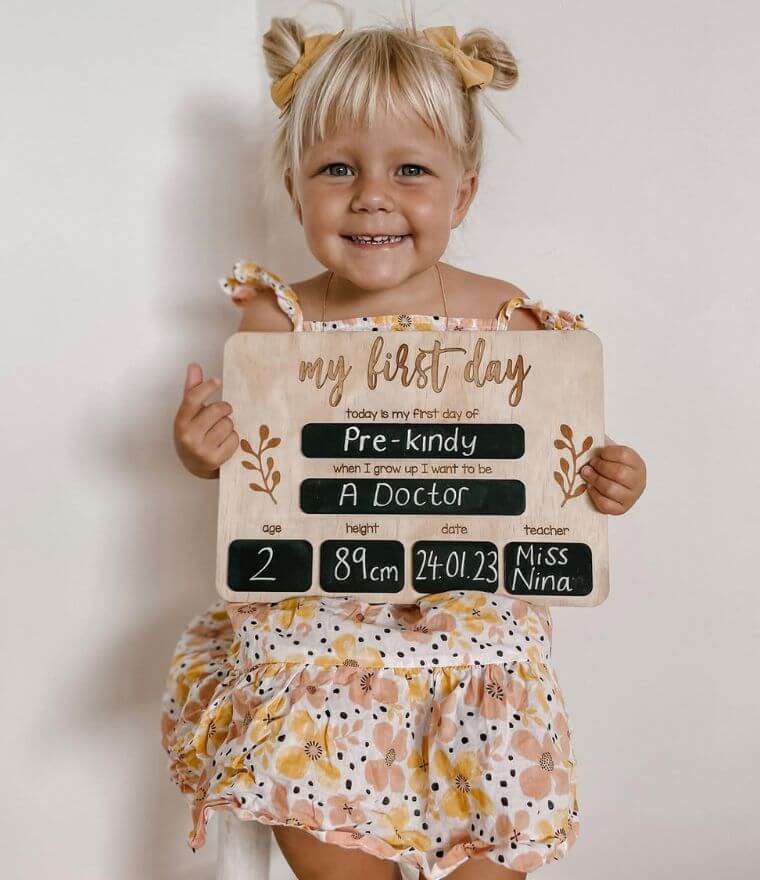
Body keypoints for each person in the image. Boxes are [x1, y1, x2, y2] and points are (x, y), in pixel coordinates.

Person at [161, 8, 647, 880]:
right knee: (306, 714)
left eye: (410, 170)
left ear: (461, 194)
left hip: (473, 622)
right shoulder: (278, 317)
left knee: (499, 772)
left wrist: (610, 479)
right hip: (321, 627)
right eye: (337, 169)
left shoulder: (507, 316)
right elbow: (259, 481)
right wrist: (206, 452)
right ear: (293, 186)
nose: (372, 195)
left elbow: (555, 463)